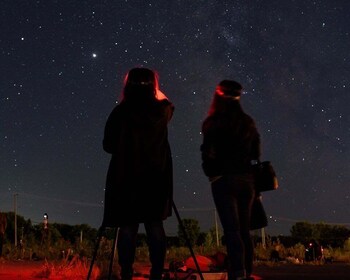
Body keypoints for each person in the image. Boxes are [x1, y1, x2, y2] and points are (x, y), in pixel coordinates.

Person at [102, 67, 174, 280]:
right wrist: (156, 92)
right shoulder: (161, 110)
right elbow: (169, 104)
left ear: (127, 85)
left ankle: (126, 273)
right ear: (154, 85)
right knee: (155, 225)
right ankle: (157, 273)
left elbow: (108, 145)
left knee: (127, 226)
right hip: (156, 178)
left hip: (126, 177)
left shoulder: (120, 112)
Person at [200, 80, 261, 280]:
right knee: (244, 230)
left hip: (223, 180)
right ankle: (247, 271)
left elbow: (208, 152)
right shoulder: (248, 121)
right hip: (247, 180)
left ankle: (237, 274)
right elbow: (256, 152)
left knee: (232, 230)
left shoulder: (213, 122)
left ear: (218, 95)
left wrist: (211, 173)